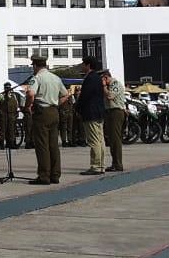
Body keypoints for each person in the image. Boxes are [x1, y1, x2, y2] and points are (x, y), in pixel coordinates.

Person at [23, 55, 68, 185]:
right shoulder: (55, 78)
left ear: (35, 65)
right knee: (53, 145)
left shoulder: (36, 78)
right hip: (54, 111)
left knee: (42, 145)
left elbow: (31, 94)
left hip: (42, 112)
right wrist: (56, 104)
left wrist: (27, 106)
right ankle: (55, 175)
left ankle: (44, 176)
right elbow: (65, 95)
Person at [74, 56, 107, 175]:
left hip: (91, 113)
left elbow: (85, 96)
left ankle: (96, 166)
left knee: (94, 141)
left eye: (83, 63)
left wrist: (77, 107)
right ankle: (101, 165)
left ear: (88, 65)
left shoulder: (90, 78)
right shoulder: (98, 78)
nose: (82, 66)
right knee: (100, 140)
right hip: (98, 112)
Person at [102, 70, 127, 171]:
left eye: (102, 79)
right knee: (112, 139)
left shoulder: (115, 84)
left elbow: (110, 96)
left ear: (106, 78)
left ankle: (118, 164)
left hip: (116, 112)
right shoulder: (109, 86)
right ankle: (115, 163)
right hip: (110, 113)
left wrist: (104, 87)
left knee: (116, 139)